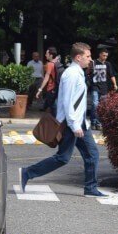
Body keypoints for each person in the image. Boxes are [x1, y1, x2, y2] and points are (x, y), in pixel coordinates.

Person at [19, 42, 106, 197]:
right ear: (78, 57)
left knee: (92, 154)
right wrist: (74, 125)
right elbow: (67, 101)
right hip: (71, 123)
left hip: (78, 123)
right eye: (88, 56)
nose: (90, 59)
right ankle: (27, 173)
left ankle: (90, 188)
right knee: (63, 158)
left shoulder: (77, 72)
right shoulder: (72, 74)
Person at [88, 48, 117, 130]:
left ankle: (99, 122)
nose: (105, 57)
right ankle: (93, 121)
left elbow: (112, 75)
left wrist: (115, 84)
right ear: (100, 54)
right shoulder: (93, 62)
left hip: (104, 87)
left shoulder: (108, 64)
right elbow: (87, 73)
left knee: (102, 106)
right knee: (95, 104)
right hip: (95, 86)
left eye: (106, 56)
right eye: (104, 55)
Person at [37, 47, 60, 115]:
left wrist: (40, 89)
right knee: (54, 107)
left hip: (51, 88)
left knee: (52, 109)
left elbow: (46, 78)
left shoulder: (49, 64)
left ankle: (55, 124)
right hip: (57, 88)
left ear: (51, 55)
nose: (45, 55)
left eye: (47, 54)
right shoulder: (57, 63)